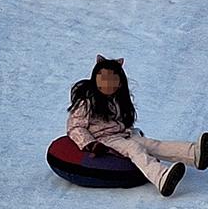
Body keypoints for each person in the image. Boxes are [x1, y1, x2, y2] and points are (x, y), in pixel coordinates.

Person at [66, 55, 207, 197]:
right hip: (104, 139)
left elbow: (121, 119)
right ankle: (161, 177)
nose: (108, 84)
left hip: (123, 134)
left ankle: (193, 154)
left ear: (120, 82)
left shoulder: (116, 99)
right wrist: (90, 144)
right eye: (103, 78)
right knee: (135, 149)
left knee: (153, 144)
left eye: (113, 79)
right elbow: (75, 127)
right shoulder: (88, 102)